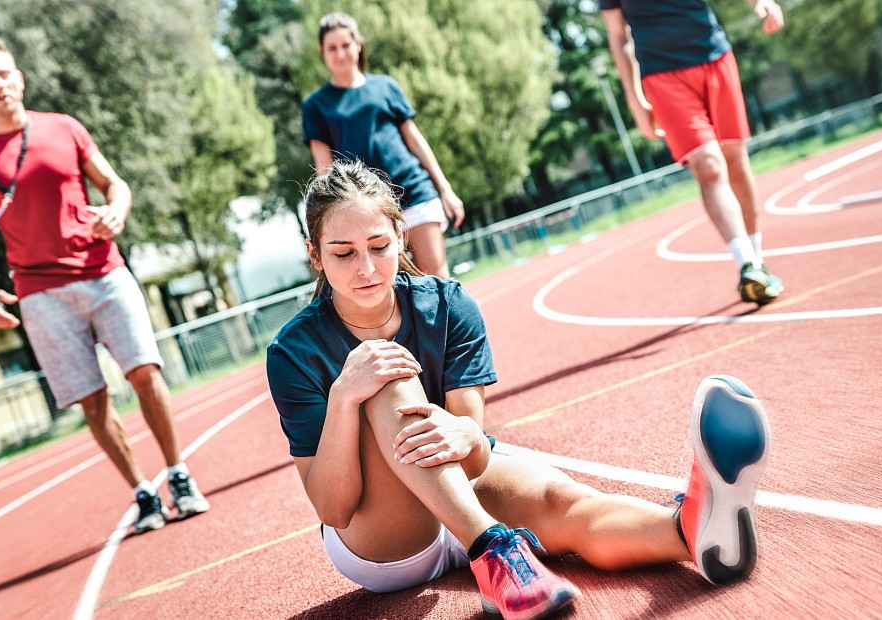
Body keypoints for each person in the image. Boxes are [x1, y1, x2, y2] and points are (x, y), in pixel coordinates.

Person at [266, 161, 773, 619]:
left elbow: (473, 456)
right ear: (315, 255)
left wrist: (465, 433)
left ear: (401, 236)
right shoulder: (294, 351)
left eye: (379, 246)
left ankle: (693, 531)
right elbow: (333, 510)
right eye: (343, 253)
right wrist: (345, 396)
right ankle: (492, 550)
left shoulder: (448, 305)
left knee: (563, 501)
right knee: (381, 370)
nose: (366, 268)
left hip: (461, 483)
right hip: (385, 542)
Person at [0, 34, 209, 535]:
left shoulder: (63, 127)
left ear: (19, 78)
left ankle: (178, 474)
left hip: (104, 272)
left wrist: (116, 211)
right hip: (39, 293)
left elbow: (115, 184)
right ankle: (142, 492)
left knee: (144, 372)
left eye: (4, 73)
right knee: (92, 400)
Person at [600, 0, 786, 305]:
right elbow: (618, 37)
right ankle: (747, 265)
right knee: (709, 167)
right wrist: (635, 101)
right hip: (662, 77)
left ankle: (758, 261)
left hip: (714, 56)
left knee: (735, 163)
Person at [301, 12, 465, 279]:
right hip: (365, 208)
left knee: (436, 279)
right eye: (332, 48)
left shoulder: (386, 87)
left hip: (414, 193)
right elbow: (324, 168)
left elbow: (415, 141)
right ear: (322, 52)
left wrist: (446, 189)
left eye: (345, 45)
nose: (340, 53)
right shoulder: (315, 105)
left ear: (358, 44)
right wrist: (327, 219)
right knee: (389, 287)